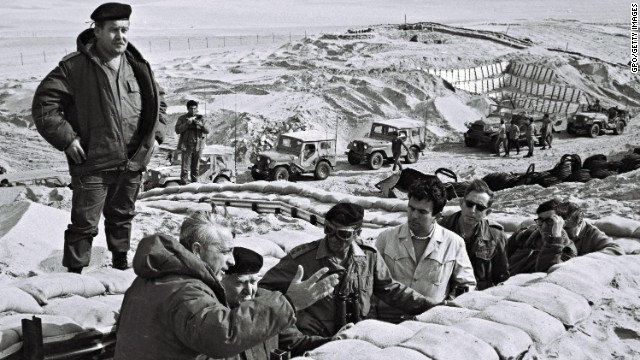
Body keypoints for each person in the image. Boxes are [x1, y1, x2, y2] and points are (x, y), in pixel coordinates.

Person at [32, 2, 167, 274]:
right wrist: (68, 139)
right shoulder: (74, 68)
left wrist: (157, 136)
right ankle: (74, 276)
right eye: (114, 30)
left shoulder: (136, 65)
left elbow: (159, 100)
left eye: (125, 30)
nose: (121, 37)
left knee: (122, 217)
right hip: (93, 161)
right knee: (83, 224)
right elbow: (45, 104)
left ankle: (119, 266)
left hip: (132, 160)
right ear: (97, 31)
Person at [114, 211, 340, 360]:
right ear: (196, 251)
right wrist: (289, 302)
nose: (231, 261)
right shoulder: (186, 291)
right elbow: (222, 334)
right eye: (224, 252)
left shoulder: (151, 279)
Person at [259, 203, 441, 335]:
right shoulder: (303, 259)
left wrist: (428, 305)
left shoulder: (369, 257)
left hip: (357, 337)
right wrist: (297, 315)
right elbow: (264, 288)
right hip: (317, 339)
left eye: (343, 234)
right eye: (328, 230)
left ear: (357, 234)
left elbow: (390, 290)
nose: (333, 238)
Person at [199, 247, 344, 360]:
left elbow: (294, 343)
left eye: (254, 281)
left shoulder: (269, 301)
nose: (249, 290)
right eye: (240, 283)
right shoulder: (214, 313)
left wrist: (335, 341)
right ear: (221, 280)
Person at [374, 178, 476, 322]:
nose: (414, 215)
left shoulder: (453, 243)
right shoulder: (386, 238)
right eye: (411, 208)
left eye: (422, 212)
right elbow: (372, 282)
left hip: (430, 321)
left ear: (437, 216)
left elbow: (466, 284)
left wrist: (449, 306)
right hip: (389, 319)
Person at [439, 179, 509, 290]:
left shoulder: (496, 236)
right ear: (461, 203)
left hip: (478, 296)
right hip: (444, 293)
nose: (472, 211)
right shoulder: (440, 229)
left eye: (480, 208)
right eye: (469, 204)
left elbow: (501, 276)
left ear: (488, 212)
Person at [506, 199, 578, 276]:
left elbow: (546, 272)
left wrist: (555, 239)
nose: (544, 227)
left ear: (562, 223)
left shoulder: (568, 250)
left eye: (550, 221)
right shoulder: (523, 237)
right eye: (540, 221)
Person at [555, 201, 624, 256]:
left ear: (580, 222)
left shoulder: (592, 234)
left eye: (566, 228)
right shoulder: (555, 229)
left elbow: (616, 249)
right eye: (559, 227)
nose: (562, 231)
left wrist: (584, 260)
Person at [176, 100, 210, 184]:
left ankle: (194, 186)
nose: (193, 110)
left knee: (196, 168)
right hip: (187, 146)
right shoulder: (182, 118)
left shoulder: (201, 118)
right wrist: (187, 124)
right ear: (187, 109)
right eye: (191, 109)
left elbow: (207, 130)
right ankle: (184, 186)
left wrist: (201, 125)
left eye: (195, 109)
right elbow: (177, 130)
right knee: (185, 168)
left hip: (198, 146)